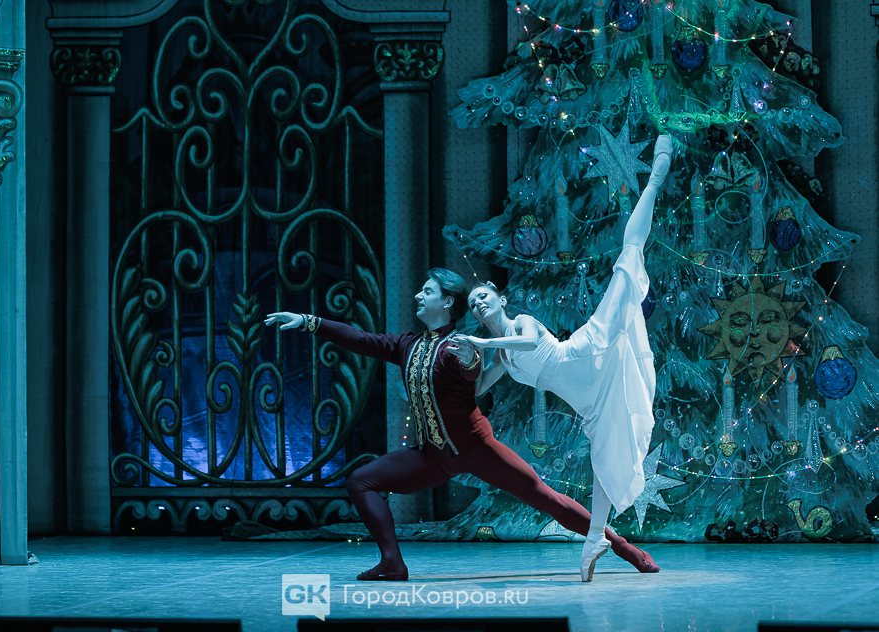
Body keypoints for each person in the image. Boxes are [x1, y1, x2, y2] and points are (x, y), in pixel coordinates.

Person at [265, 268, 659, 582]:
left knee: (545, 498)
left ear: (446, 302)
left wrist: (472, 360)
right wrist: (308, 321)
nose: (418, 296)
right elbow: (361, 339)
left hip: (475, 448)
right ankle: (392, 563)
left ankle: (624, 548)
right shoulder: (406, 345)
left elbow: (470, 375)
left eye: (427, 291)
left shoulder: (459, 345)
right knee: (360, 481)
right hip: (433, 457)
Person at [453, 134, 673, 582]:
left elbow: (525, 345)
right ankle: (594, 539)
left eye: (484, 296)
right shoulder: (499, 357)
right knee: (603, 459)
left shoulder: (521, 324)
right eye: (473, 303)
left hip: (588, 351)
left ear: (500, 298)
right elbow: (475, 389)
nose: (478, 304)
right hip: (586, 397)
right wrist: (458, 364)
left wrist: (482, 345)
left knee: (626, 264)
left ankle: (655, 177)